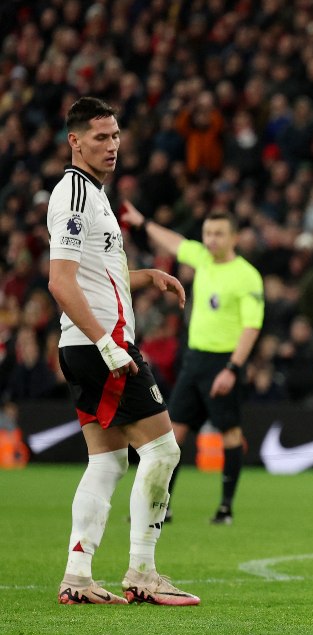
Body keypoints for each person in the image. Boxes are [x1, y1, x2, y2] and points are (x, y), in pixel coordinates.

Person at [48, 97, 199, 605]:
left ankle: (78, 576)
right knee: (163, 450)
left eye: (115, 136)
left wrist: (146, 277)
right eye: (99, 138)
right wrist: (106, 344)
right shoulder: (73, 194)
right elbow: (61, 283)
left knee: (108, 463)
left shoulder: (94, 194)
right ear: (75, 141)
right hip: (100, 346)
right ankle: (143, 572)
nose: (111, 146)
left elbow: (96, 278)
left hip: (88, 345)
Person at [121, 205, 264, 525]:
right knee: (174, 434)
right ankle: (161, 506)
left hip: (224, 361)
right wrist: (144, 222)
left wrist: (234, 368)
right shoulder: (202, 258)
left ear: (234, 238)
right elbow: (175, 243)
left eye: (218, 234)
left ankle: (225, 508)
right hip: (195, 360)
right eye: (208, 234)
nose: (211, 240)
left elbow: (251, 326)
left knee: (229, 433)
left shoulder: (246, 275)